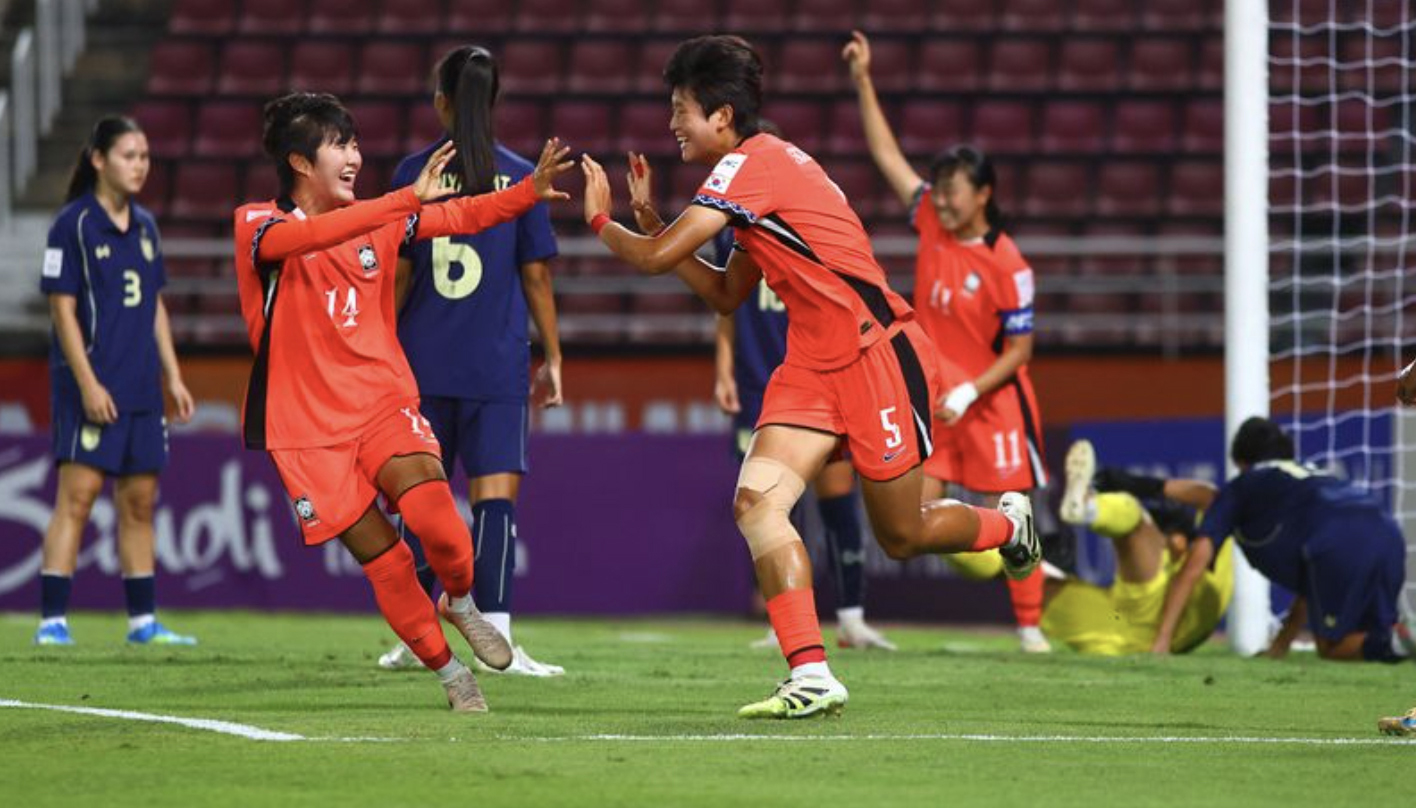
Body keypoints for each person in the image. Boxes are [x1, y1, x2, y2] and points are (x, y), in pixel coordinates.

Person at [580, 35, 1040, 719]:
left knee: (903, 535)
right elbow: (728, 293)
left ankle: (1010, 526)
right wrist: (648, 221)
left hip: (876, 355)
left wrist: (601, 221)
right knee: (756, 504)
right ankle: (812, 672)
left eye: (681, 109)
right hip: (812, 365)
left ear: (723, 117)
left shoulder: (751, 168)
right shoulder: (755, 172)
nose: (672, 123)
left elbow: (652, 261)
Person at [232, 92, 572, 710]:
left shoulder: (383, 219)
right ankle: (450, 676)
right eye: (339, 144)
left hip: (381, 403)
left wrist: (527, 192)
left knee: (442, 527)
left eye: (355, 141)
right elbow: (315, 236)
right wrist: (403, 201)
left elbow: (464, 217)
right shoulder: (258, 225)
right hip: (306, 430)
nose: (354, 155)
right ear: (301, 162)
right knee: (387, 564)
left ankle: (461, 602)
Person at [843, 30, 1051, 654]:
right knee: (913, 515)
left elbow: (1020, 353)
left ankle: (1031, 630)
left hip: (990, 403)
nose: (943, 197)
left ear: (983, 193)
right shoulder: (930, 218)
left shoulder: (1009, 265)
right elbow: (886, 157)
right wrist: (862, 83)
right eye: (941, 188)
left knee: (1016, 502)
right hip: (932, 395)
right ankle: (997, 545)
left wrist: (971, 388)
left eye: (954, 188)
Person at [376, 45, 564, 677]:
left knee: (422, 500)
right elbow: (535, 280)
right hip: (496, 361)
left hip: (421, 361)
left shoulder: (413, 172)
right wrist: (555, 355)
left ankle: (417, 632)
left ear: (442, 103)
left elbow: (395, 281)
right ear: (496, 100)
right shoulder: (520, 177)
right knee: (495, 502)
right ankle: (501, 641)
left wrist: (378, 351)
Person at [700, 198, 894, 652]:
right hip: (758, 384)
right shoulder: (730, 233)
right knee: (764, 503)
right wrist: (724, 367)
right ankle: (780, 623)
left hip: (817, 381)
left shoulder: (814, 227)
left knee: (837, 498)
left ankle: (851, 618)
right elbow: (727, 303)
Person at [34, 116, 196, 646]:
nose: (140, 165)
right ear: (98, 159)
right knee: (76, 499)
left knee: (139, 503)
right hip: (94, 385)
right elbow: (61, 310)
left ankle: (143, 623)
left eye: (145, 156)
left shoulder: (146, 226)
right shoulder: (73, 225)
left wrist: (172, 375)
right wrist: (86, 384)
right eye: (130, 155)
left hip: (142, 388)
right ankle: (53, 622)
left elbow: (155, 307)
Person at [1145, 417, 1409, 662]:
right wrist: (1280, 645)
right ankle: (1401, 639)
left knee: (1332, 647)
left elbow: (1194, 566)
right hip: (1388, 532)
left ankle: (1399, 641)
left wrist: (1163, 640)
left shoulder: (1242, 487)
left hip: (1339, 540)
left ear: (1241, 462)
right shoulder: (1309, 475)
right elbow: (1312, 586)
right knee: (1375, 633)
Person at [1041, 440, 1234, 655]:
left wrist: (1163, 638)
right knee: (1028, 578)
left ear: (1177, 542)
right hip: (1114, 632)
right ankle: (1086, 509)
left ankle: (1088, 509)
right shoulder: (1219, 543)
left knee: (1133, 515)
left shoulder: (1193, 557)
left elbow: (1186, 577)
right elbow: (1212, 497)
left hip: (1146, 615)